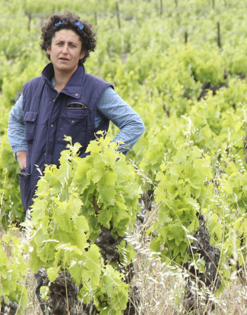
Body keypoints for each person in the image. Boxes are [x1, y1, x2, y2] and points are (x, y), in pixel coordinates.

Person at [8, 11, 145, 215]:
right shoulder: (32, 90)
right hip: (37, 199)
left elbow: (134, 124)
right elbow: (15, 119)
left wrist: (104, 161)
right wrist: (21, 153)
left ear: (82, 53)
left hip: (80, 206)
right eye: (59, 44)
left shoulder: (96, 91)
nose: (65, 51)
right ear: (48, 48)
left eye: (72, 46)